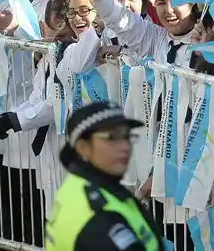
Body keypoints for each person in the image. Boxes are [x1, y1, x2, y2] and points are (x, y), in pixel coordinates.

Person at [45, 101, 163, 251]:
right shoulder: (97, 212)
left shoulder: (81, 185)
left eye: (127, 136)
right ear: (83, 147)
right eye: (112, 137)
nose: (125, 146)